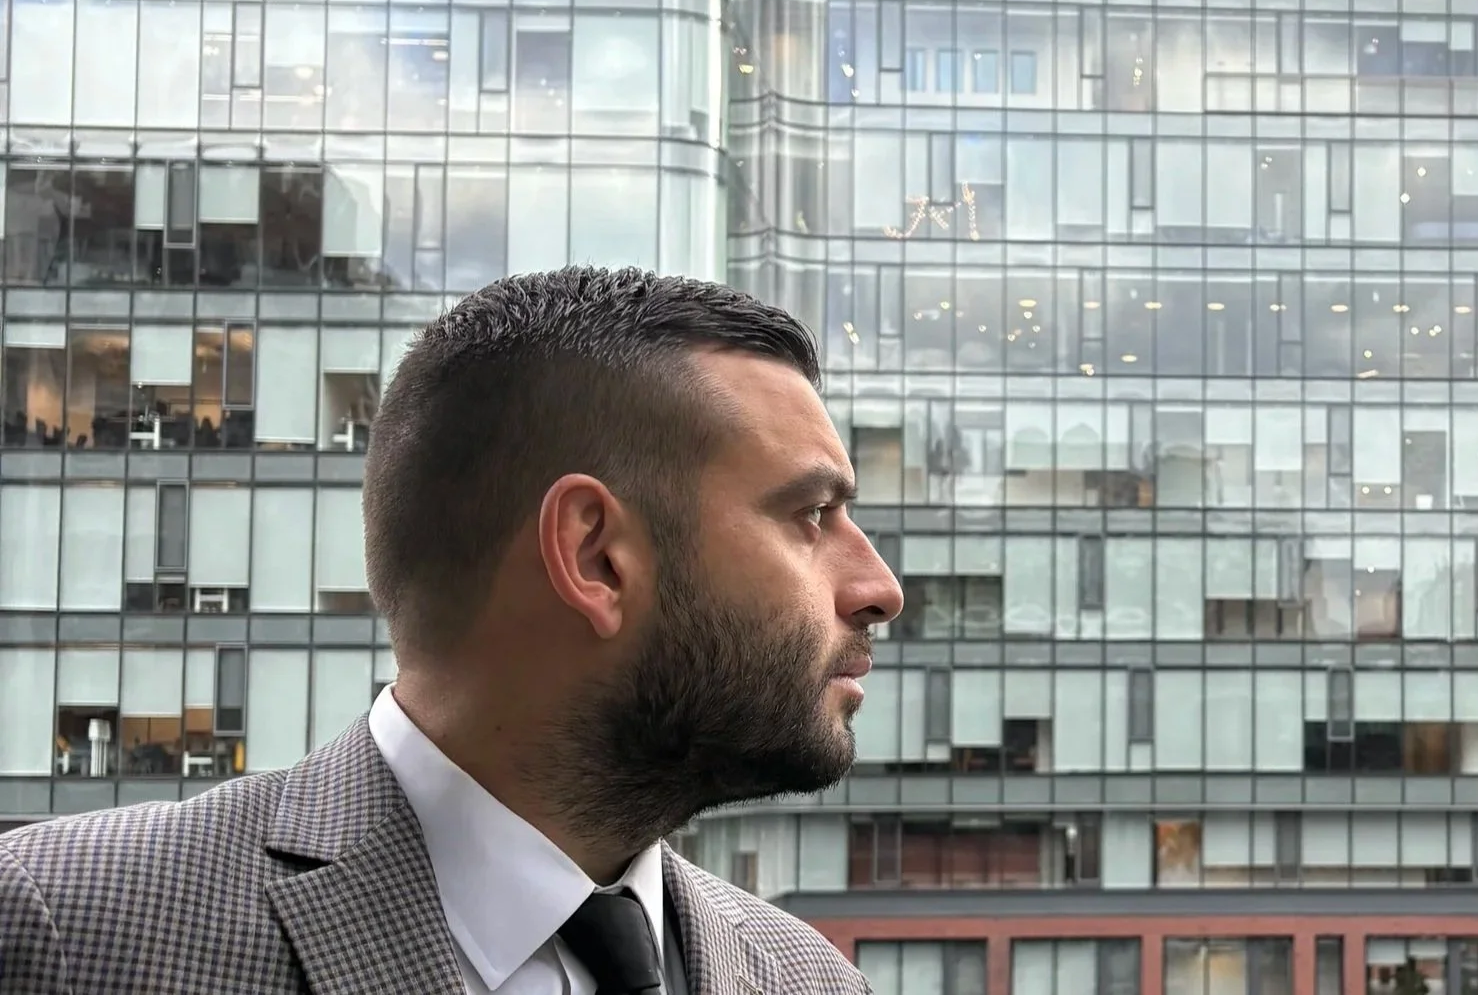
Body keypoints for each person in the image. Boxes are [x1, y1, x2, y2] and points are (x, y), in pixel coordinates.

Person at [0, 268, 903, 994]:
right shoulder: (66, 932)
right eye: (812, 514)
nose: (879, 590)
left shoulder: (808, 977)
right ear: (595, 558)